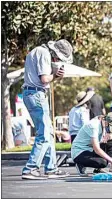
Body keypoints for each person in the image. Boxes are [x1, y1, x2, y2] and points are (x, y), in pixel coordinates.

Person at [21, 39, 73, 179]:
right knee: (44, 134)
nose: (56, 60)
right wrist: (55, 76)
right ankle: (31, 168)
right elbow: (44, 79)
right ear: (54, 52)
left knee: (49, 133)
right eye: (57, 57)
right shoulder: (44, 53)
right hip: (36, 93)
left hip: (32, 93)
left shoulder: (37, 51)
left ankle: (51, 167)